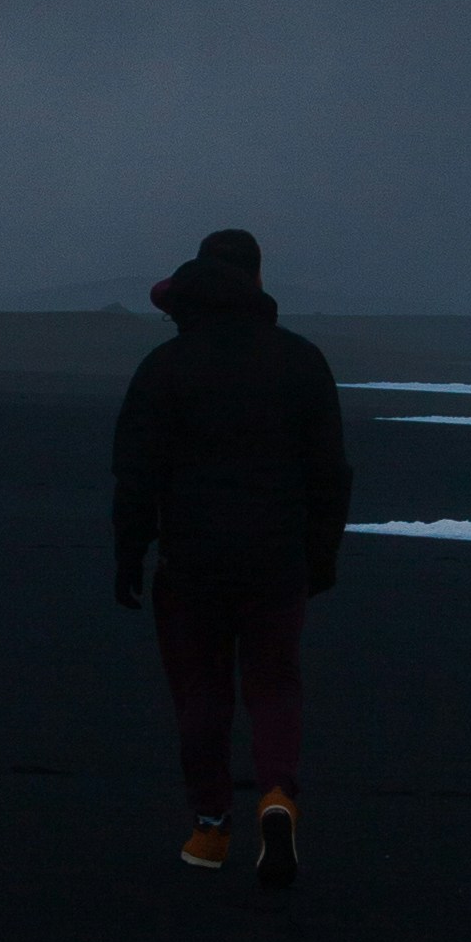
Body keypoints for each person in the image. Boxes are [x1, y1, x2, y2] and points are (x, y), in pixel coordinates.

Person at [110, 228, 352, 884]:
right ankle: (276, 796)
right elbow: (331, 473)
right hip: (277, 558)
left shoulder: (166, 366)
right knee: (275, 684)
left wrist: (129, 554)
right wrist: (321, 555)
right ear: (257, 279)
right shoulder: (301, 361)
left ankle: (212, 825)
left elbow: (134, 473)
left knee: (202, 691)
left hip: (192, 560)